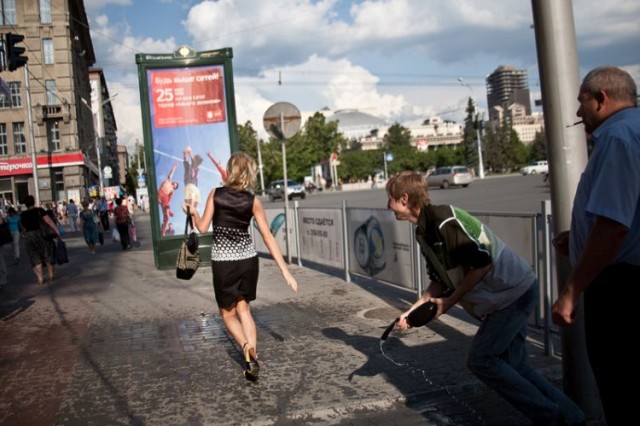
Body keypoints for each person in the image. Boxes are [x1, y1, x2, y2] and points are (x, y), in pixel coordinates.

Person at [386, 171, 585, 426]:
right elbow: (438, 280)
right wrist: (411, 312)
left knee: (482, 360)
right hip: (507, 295)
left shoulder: (443, 220)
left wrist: (448, 303)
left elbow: (480, 265)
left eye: (389, 199)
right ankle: (572, 417)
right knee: (517, 366)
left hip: (512, 294)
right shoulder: (424, 231)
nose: (388, 205)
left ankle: (551, 418)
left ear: (404, 198)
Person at [551, 66, 640, 426]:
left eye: (581, 102)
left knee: (621, 387)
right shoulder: (631, 131)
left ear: (601, 98)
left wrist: (570, 292)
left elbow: (613, 226)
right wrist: (577, 238)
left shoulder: (618, 138)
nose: (577, 113)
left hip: (621, 288)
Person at [186, 152, 298, 381]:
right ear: (249, 172)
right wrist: (285, 271)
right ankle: (252, 362)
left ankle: (247, 347)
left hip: (224, 262)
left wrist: (194, 213)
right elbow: (267, 236)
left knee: (227, 315)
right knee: (244, 310)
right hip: (248, 260)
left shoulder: (215, 195)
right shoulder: (253, 201)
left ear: (231, 171)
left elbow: (203, 228)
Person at [19, 195, 61, 285]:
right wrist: (57, 231)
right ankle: (50, 274)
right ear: (33, 202)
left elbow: (22, 228)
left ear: (25, 204)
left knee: (35, 257)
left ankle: (40, 277)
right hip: (42, 234)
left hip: (29, 236)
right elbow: (49, 221)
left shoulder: (23, 214)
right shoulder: (39, 210)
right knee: (47, 254)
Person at [158, 162, 178, 236]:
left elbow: (169, 200)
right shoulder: (169, 180)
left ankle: (163, 232)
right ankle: (168, 212)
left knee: (167, 217)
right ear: (173, 182)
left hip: (165, 199)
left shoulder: (172, 191)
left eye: (174, 186)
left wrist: (168, 209)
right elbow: (171, 174)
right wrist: (174, 167)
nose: (173, 185)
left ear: (174, 188)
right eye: (174, 184)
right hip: (160, 193)